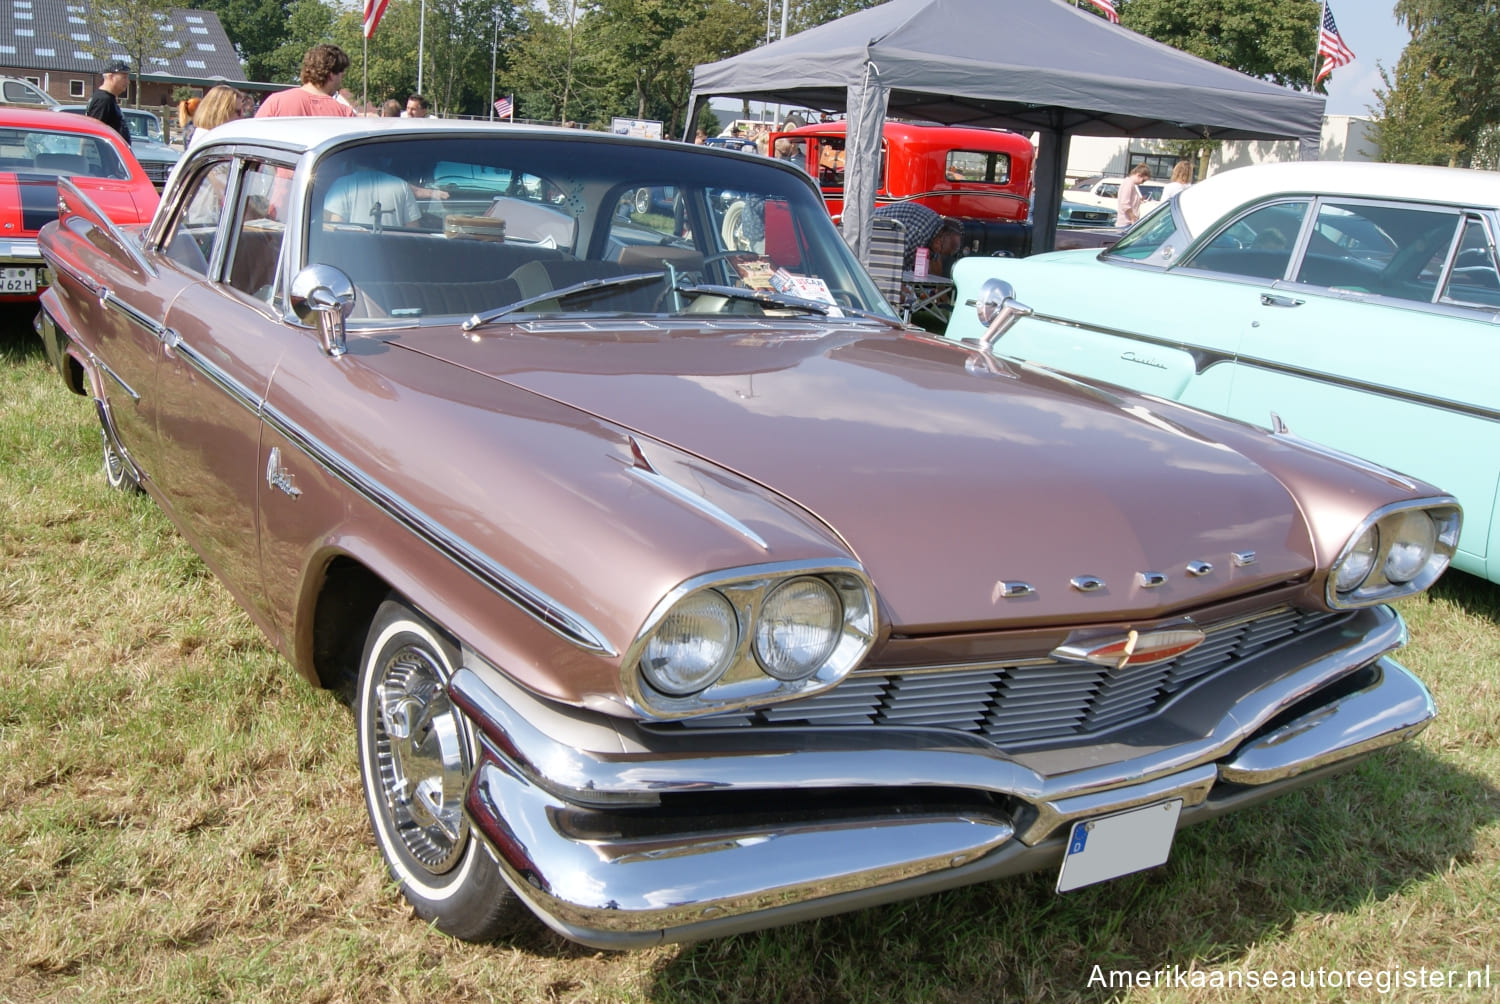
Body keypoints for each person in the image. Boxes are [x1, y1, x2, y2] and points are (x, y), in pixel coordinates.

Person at [255, 44, 356, 118]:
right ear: (331, 76)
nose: (340, 83)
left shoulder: (275, 103)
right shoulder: (344, 114)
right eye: (341, 76)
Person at [871, 203, 964, 273]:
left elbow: (935, 260)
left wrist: (940, 291)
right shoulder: (919, 234)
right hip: (871, 229)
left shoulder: (938, 231)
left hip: (885, 236)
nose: (938, 251)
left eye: (941, 252)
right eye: (940, 250)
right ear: (940, 241)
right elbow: (894, 262)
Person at [185, 85, 245, 152]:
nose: (242, 116)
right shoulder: (209, 142)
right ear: (221, 112)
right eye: (238, 112)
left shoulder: (213, 138)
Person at [85, 60, 131, 144]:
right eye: (124, 77)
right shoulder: (103, 100)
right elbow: (93, 135)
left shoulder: (108, 98)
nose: (128, 82)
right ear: (110, 76)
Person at [1115, 163, 1151, 227]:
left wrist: (1139, 201)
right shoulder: (1128, 184)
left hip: (1128, 222)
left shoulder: (1130, 184)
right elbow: (1124, 203)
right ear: (1139, 175)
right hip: (1126, 222)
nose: (1142, 183)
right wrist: (1132, 217)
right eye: (1143, 180)